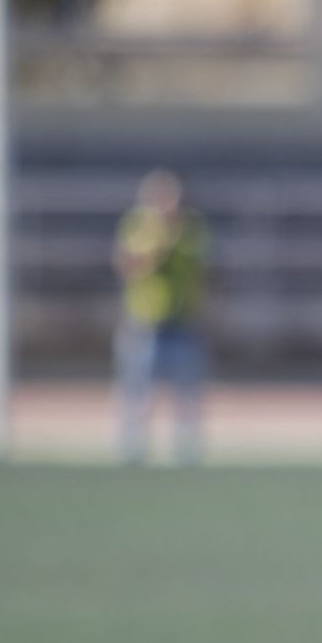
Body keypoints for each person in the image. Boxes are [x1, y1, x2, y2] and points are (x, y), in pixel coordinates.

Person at [112, 168, 211, 464]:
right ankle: (133, 447)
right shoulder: (140, 227)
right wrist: (156, 248)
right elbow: (127, 264)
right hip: (146, 320)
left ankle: (187, 448)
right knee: (138, 387)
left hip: (182, 320)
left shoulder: (191, 230)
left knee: (188, 389)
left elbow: (203, 269)